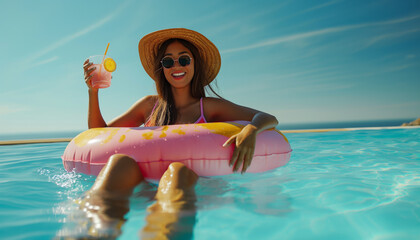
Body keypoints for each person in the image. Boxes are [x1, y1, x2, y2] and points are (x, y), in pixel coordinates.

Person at [80, 28, 278, 238]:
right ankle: (96, 231)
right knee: (119, 162)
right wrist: (93, 92)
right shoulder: (150, 105)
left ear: (194, 64)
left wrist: (251, 130)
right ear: (162, 68)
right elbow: (100, 134)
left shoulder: (208, 107)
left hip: (188, 186)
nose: (176, 66)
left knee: (178, 171)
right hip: (146, 185)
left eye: (184, 60)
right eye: (168, 61)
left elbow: (267, 117)